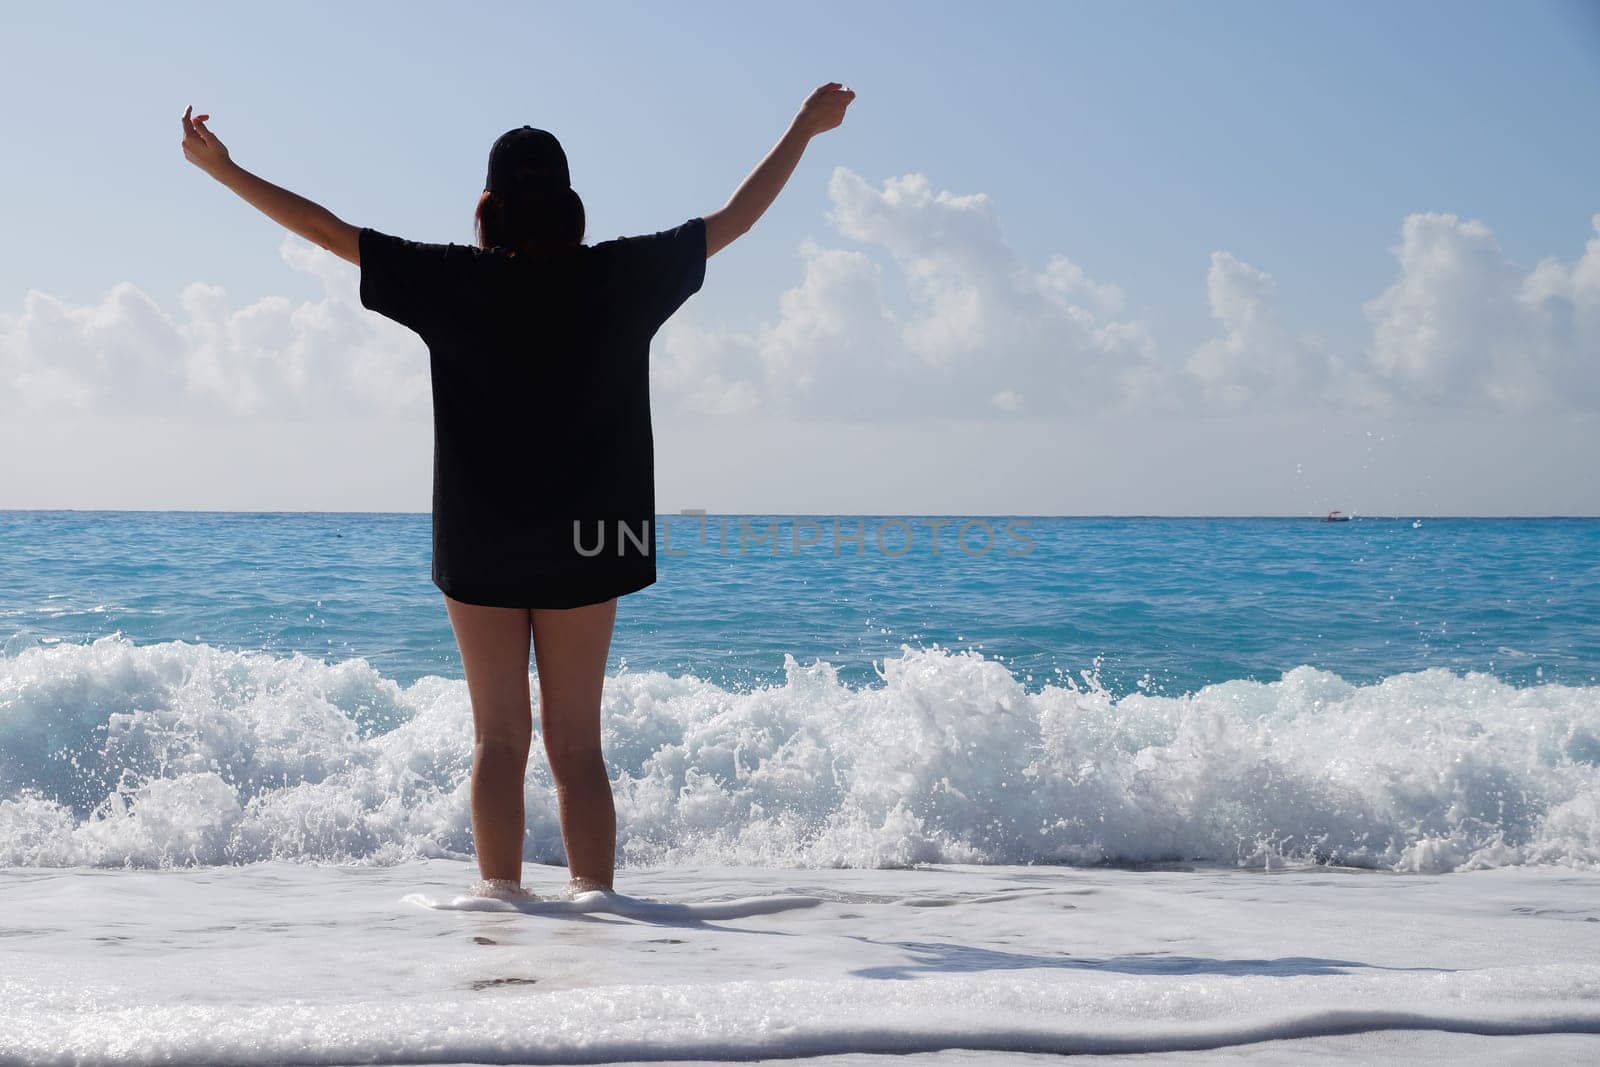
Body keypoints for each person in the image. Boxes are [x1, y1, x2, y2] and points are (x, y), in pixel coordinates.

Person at [180, 82, 856, 899]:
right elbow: (737, 217)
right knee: (578, 746)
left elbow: (327, 231)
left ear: (489, 206)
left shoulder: (451, 280)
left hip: (480, 538)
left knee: (499, 742)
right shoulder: (621, 274)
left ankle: (499, 915)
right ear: (570, 206)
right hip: (593, 539)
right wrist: (805, 128)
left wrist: (225, 171)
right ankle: (599, 914)